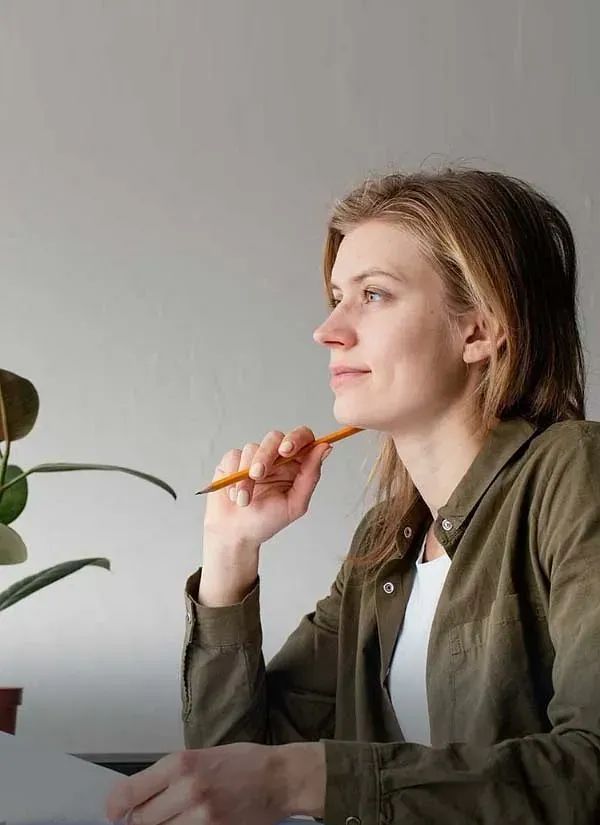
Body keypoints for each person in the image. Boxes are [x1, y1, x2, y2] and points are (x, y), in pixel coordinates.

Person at [106, 167, 600, 824]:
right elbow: (236, 765)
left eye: (374, 294)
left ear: (479, 330)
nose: (328, 329)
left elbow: (590, 768)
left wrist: (305, 775)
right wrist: (229, 551)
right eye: (338, 296)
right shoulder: (384, 543)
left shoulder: (574, 471)